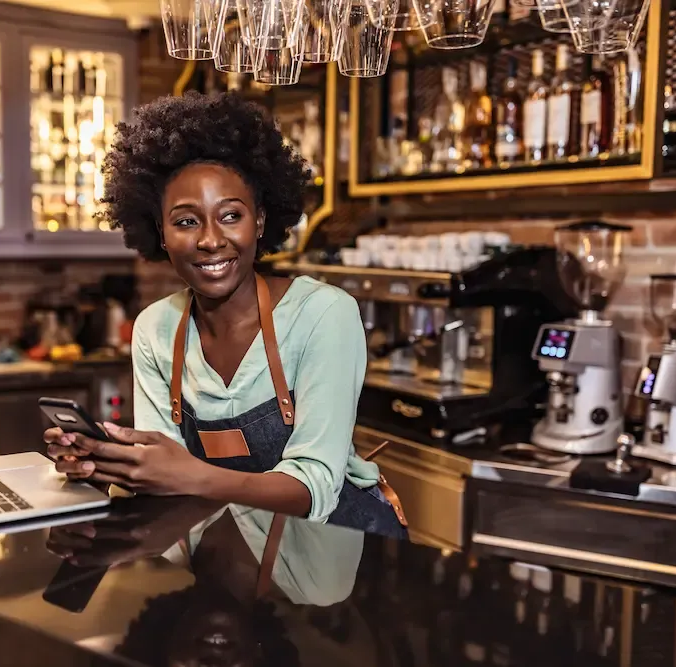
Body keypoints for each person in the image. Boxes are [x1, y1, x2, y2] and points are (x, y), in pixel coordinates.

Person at [43, 92, 407, 539]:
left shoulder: (324, 315)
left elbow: (315, 489)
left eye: (230, 215)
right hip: (227, 559)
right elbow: (168, 484)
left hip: (334, 557)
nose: (211, 240)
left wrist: (187, 475)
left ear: (260, 221)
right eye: (187, 221)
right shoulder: (155, 329)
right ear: (160, 233)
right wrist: (111, 467)